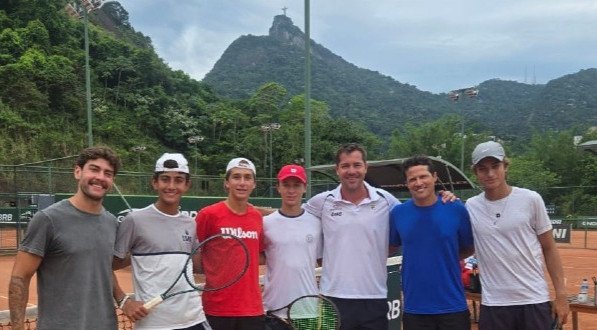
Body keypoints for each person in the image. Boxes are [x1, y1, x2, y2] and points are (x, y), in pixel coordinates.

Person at [303, 143, 456, 330]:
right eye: (345, 166)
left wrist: (443, 197)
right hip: (332, 297)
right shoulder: (322, 201)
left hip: (374, 297)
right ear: (337, 170)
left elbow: (416, 212)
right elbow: (291, 216)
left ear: (366, 167)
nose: (352, 171)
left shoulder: (386, 200)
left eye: (357, 165)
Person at [8, 146, 121, 330]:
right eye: (94, 169)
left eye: (108, 173)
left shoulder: (112, 223)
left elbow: (104, 268)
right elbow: (20, 277)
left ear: (112, 180)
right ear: (78, 171)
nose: (100, 177)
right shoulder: (47, 219)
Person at [466, 140, 569, 329]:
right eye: (482, 168)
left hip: (533, 300)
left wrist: (561, 296)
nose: (490, 173)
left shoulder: (530, 199)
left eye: (495, 166)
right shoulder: (470, 206)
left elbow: (549, 247)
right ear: (476, 173)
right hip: (494, 305)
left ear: (505, 166)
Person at [112, 153, 211, 329]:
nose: (171, 186)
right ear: (155, 182)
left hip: (193, 318)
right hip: (154, 323)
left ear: (187, 185)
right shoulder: (134, 220)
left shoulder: (190, 223)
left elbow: (198, 266)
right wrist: (123, 300)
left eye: (178, 180)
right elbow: (107, 266)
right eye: (165, 179)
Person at [389, 155, 474, 330]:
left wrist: (443, 256)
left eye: (423, 176)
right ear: (406, 183)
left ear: (434, 177)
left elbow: (468, 248)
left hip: (452, 306)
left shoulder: (456, 209)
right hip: (415, 308)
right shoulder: (398, 213)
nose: (418, 183)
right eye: (412, 179)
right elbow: (391, 247)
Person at [195, 157, 265, 330]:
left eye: (247, 178)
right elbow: (196, 254)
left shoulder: (257, 217)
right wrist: (216, 272)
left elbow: (259, 255)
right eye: (236, 177)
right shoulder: (208, 215)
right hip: (216, 308)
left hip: (252, 309)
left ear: (254, 184)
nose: (242, 182)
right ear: (226, 183)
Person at [261, 164, 323, 329]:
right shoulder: (266, 223)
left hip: (308, 310)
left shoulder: (316, 223)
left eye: (296, 185)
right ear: (278, 188)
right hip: (273, 310)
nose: (291, 190)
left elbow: (323, 262)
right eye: (286, 185)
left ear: (305, 188)